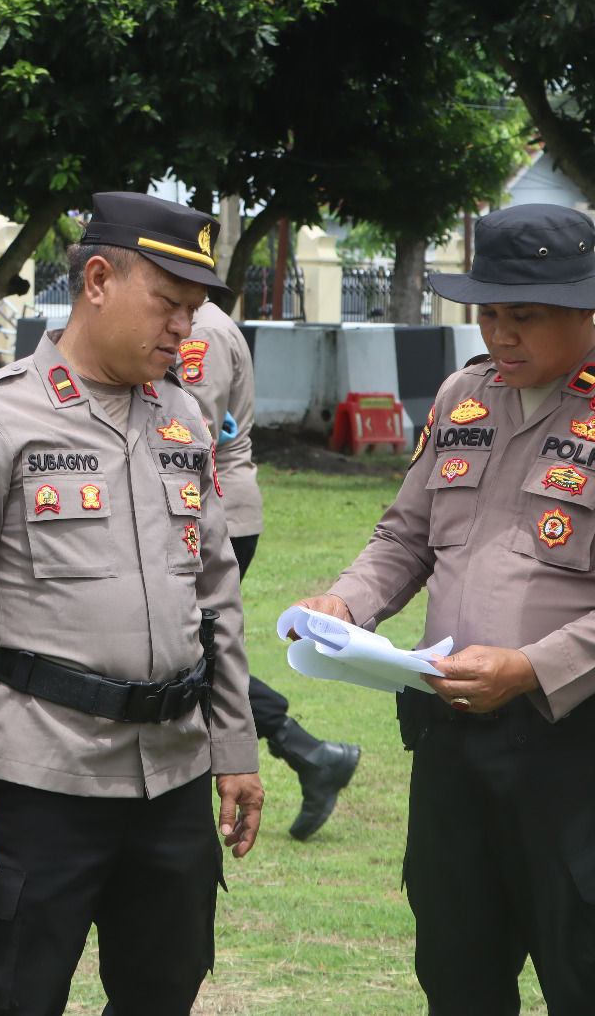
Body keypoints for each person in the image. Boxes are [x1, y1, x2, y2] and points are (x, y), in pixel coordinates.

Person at [294, 202, 595, 1014]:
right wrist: (347, 601)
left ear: (584, 309)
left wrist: (530, 668)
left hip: (567, 748)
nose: (501, 335)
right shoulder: (464, 395)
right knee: (456, 975)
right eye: (488, 314)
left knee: (584, 976)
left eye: (525, 316)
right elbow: (405, 536)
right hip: (448, 742)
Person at [0, 192, 264, 1016]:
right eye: (168, 303)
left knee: (163, 992)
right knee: (13, 996)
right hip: (42, 776)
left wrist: (235, 746)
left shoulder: (182, 416)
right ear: (97, 280)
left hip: (171, 773)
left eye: (195, 309)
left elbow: (216, 593)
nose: (185, 328)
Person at [182, 297, 361, 840]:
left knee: (191, 652)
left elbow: (188, 433)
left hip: (211, 511)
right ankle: (308, 753)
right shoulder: (197, 322)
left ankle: (306, 751)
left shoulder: (202, 331)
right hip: (206, 509)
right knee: (190, 651)